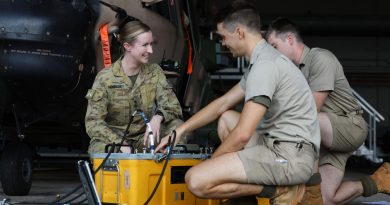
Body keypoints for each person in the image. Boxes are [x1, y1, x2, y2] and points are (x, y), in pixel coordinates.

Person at [156, 2, 321, 204]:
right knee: (226, 118)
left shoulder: (265, 66)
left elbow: (243, 134)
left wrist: (213, 164)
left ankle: (279, 190)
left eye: (224, 37)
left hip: (290, 158)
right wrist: (179, 131)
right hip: (279, 146)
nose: (223, 43)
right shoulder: (261, 61)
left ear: (240, 32)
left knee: (196, 179)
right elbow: (222, 103)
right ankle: (246, 198)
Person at [266, 17, 390, 205]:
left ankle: (309, 187)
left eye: (274, 46)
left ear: (289, 39)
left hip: (349, 128)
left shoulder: (320, 58)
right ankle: (379, 180)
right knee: (327, 199)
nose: (272, 53)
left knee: (304, 119)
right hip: (325, 138)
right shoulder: (291, 72)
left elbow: (309, 112)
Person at [85, 20, 183, 153]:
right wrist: (120, 143)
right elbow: (93, 122)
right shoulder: (105, 77)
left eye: (151, 44)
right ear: (127, 46)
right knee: (101, 149)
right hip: (114, 140)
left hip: (145, 138)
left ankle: (160, 167)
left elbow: (173, 107)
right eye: (145, 45)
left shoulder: (154, 72)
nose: (151, 50)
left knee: (178, 128)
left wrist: (158, 117)